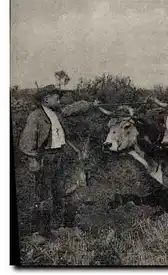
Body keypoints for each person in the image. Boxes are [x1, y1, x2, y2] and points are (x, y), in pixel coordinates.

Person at [18, 84, 100, 240]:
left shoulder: (57, 113)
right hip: (45, 158)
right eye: (57, 97)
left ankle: (57, 227)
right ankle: (42, 231)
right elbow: (27, 141)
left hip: (58, 156)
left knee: (58, 191)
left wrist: (90, 105)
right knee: (43, 194)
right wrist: (32, 159)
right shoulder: (36, 116)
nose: (59, 99)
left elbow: (73, 109)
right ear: (46, 99)